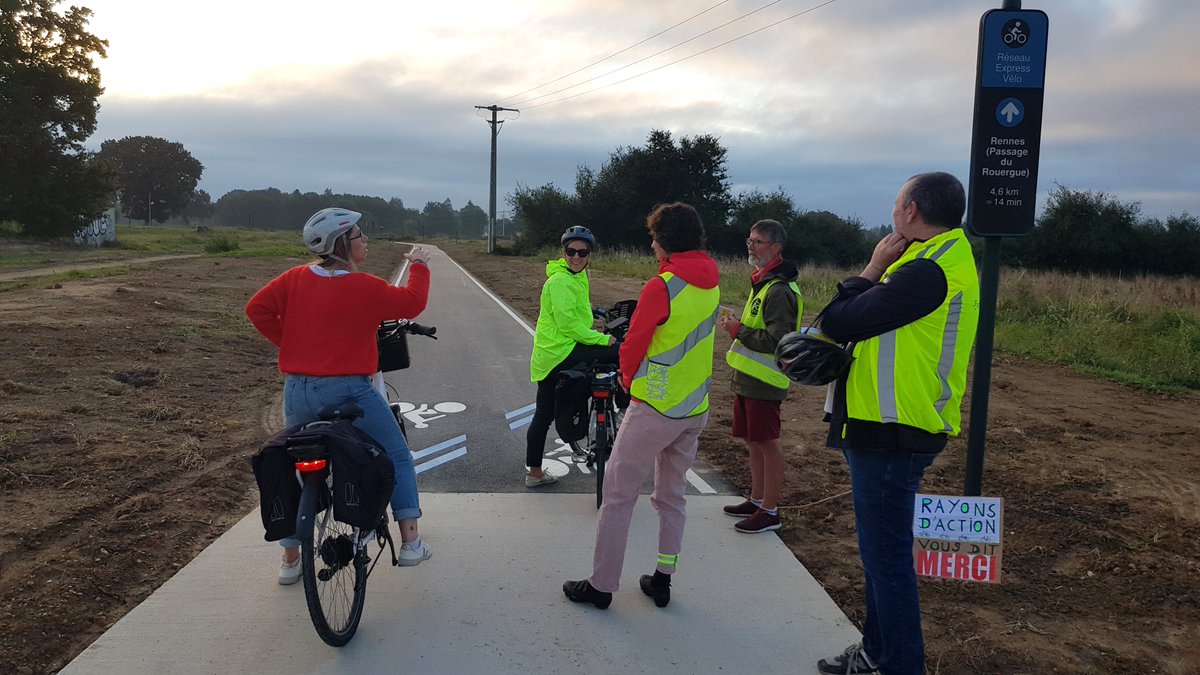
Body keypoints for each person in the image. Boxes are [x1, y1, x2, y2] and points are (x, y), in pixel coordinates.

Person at [813, 172, 980, 675]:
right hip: (889, 424)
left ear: (910, 211)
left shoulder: (927, 270)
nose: (892, 212)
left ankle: (897, 663)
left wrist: (871, 265)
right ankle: (876, 654)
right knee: (879, 557)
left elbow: (837, 320)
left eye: (896, 202)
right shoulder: (934, 258)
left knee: (886, 562)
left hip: (895, 429)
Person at [245, 207, 435, 584]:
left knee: (292, 463)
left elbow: (257, 309)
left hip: (298, 389)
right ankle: (411, 544)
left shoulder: (293, 279)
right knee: (395, 454)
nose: (365, 239)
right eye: (360, 234)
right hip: (350, 389)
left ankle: (290, 559)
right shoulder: (365, 286)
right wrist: (419, 265)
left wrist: (293, 345)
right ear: (343, 243)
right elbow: (412, 302)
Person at [563, 202, 719, 610]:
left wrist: (627, 380)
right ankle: (663, 579)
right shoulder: (712, 283)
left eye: (653, 238)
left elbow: (633, 344)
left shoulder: (662, 286)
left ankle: (601, 585)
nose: (651, 245)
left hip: (655, 407)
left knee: (617, 495)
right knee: (672, 496)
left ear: (665, 241)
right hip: (694, 406)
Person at [718, 219, 803, 534]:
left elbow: (779, 339)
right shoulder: (763, 283)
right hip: (749, 378)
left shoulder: (779, 290)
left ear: (776, 248)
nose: (751, 246)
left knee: (767, 443)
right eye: (750, 240)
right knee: (754, 441)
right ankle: (756, 500)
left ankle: (770, 510)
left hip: (765, 382)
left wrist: (737, 329)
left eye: (759, 242)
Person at [524, 226, 618, 487]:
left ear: (590, 255)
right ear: (563, 252)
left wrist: (594, 311)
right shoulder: (560, 281)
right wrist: (602, 338)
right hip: (562, 350)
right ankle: (621, 406)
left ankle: (534, 473)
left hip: (549, 356)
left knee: (543, 413)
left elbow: (575, 308)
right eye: (571, 251)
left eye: (582, 252)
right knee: (621, 351)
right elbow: (568, 325)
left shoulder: (576, 277)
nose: (576, 257)